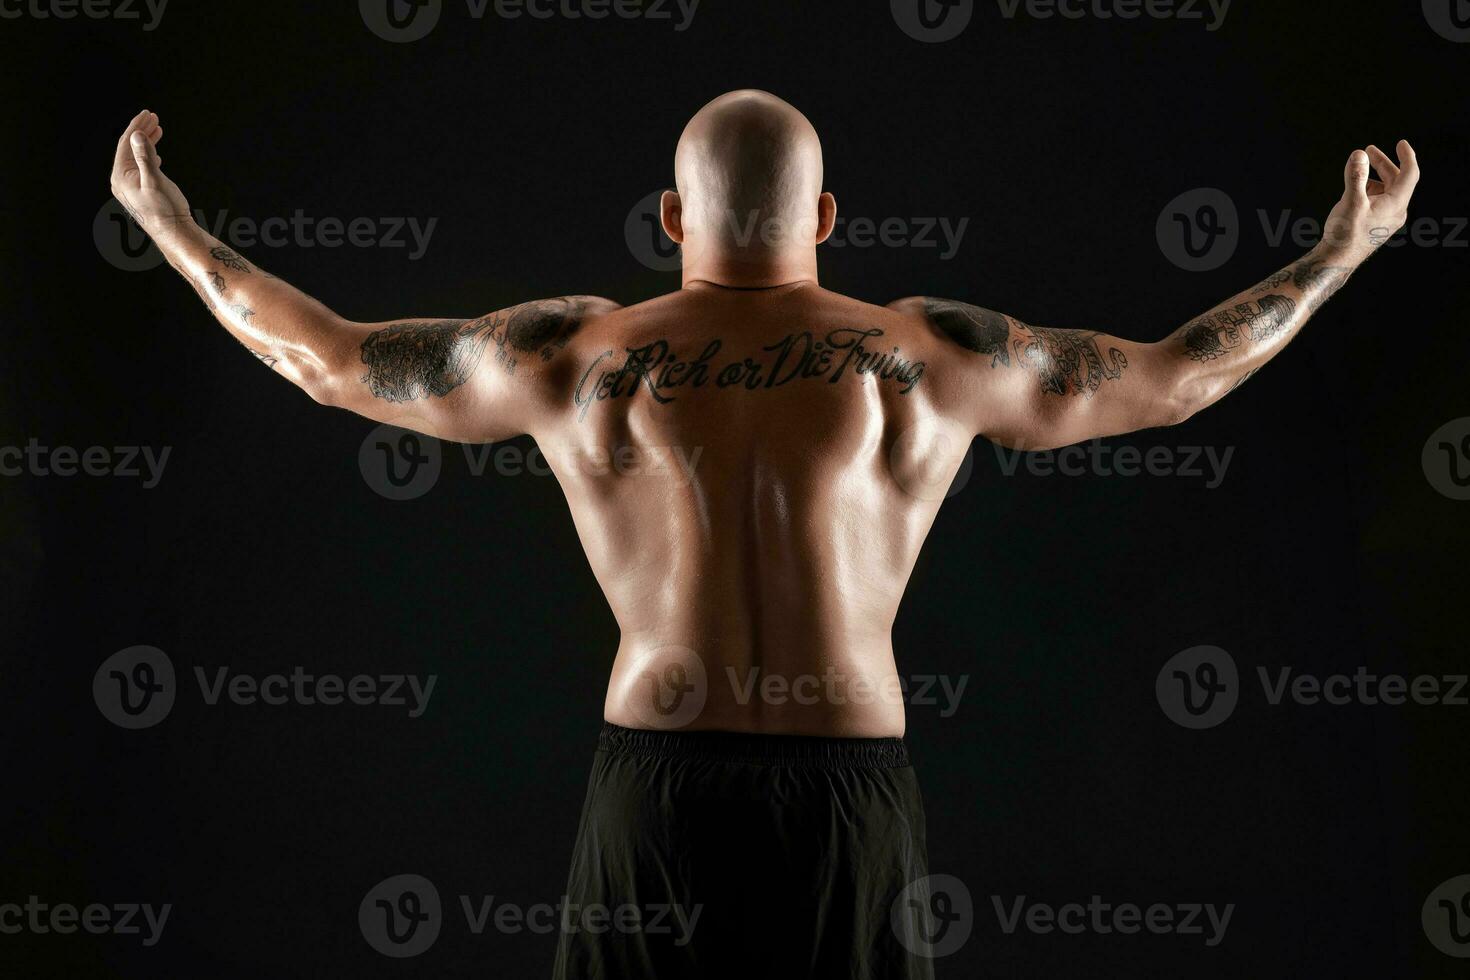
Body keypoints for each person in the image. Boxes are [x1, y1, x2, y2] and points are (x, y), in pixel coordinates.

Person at [108, 91, 1419, 978]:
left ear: (669, 219)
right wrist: (1342, 250)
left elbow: (330, 360)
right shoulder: (926, 354)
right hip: (850, 793)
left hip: (654, 782)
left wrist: (169, 224)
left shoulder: (575, 353)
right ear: (828, 218)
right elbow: (1172, 375)